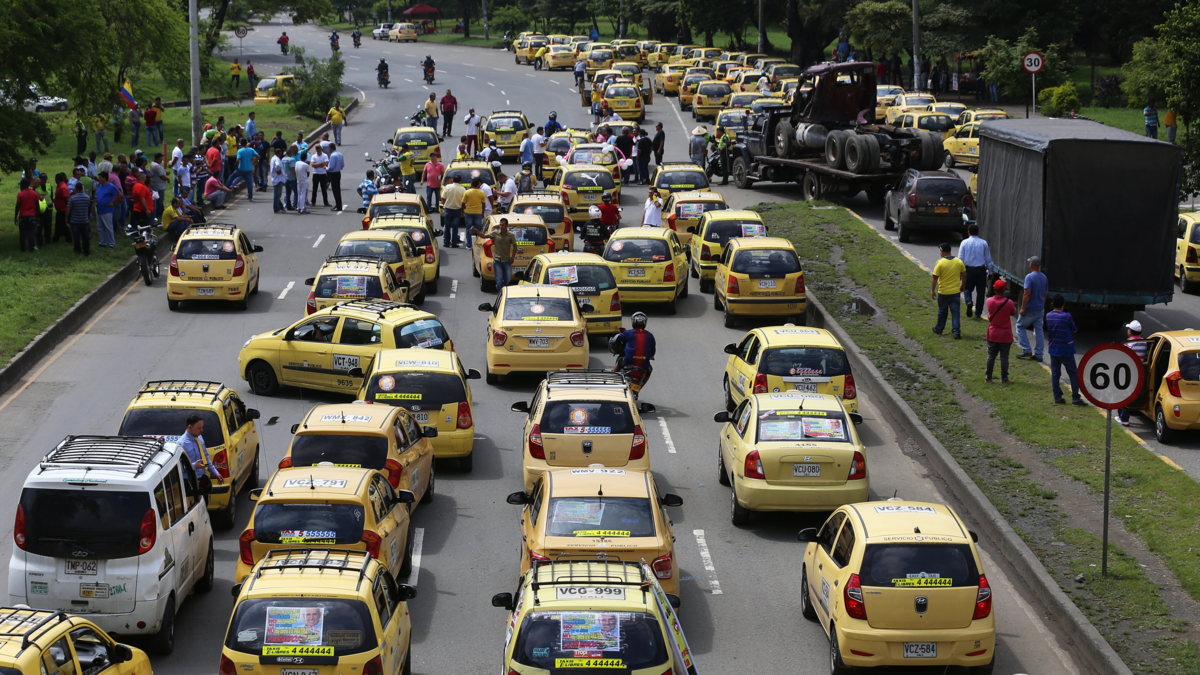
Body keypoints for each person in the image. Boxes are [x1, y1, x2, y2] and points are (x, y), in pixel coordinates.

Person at [1045, 295, 1086, 406]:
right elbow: (1074, 330)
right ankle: (1075, 398)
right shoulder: (1067, 316)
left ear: (1052, 304)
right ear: (1064, 304)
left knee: (1055, 374)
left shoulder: (1048, 316)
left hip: (1053, 349)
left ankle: (1058, 397)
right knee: (1073, 373)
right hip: (1066, 350)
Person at [1117, 321, 1150, 425]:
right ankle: (1123, 416)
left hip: (1128, 371)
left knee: (1123, 394)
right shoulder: (1145, 342)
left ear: (1130, 331)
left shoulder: (1128, 344)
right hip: (1139, 372)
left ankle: (1124, 418)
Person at [983, 279, 1016, 384]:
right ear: (1004, 290)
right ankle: (1004, 379)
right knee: (1004, 357)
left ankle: (988, 377)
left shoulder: (989, 301)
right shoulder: (1009, 302)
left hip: (993, 333)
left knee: (991, 356)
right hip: (1005, 334)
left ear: (994, 289)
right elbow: (1013, 311)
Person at [931, 242, 966, 338]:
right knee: (955, 312)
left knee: (942, 311)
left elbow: (935, 277)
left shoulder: (940, 263)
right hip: (955, 292)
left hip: (943, 292)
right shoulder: (959, 261)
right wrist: (962, 285)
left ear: (942, 251)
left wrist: (932, 290)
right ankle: (956, 331)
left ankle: (939, 329)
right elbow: (964, 274)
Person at [1017, 255, 1048, 362]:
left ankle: (1026, 349)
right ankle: (1039, 354)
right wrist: (1042, 305)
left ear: (1031, 265)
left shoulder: (1029, 277)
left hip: (1030, 308)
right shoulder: (1044, 277)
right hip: (1040, 308)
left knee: (1020, 326)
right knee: (1039, 331)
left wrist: (1022, 308)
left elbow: (1027, 293)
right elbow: (1045, 294)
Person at [958, 223, 992, 318]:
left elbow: (960, 258)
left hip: (968, 269)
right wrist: (991, 272)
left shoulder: (964, 243)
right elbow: (988, 259)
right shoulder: (983, 243)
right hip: (981, 270)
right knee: (981, 291)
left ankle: (969, 301)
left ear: (968, 233)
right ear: (978, 232)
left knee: (967, 288)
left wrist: (960, 272)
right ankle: (978, 312)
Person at [471, 217, 517, 287]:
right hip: (497, 260)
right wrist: (475, 230)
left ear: (506, 226)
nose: (501, 227)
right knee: (499, 279)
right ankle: (500, 292)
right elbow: (483, 236)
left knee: (508, 279)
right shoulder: (495, 233)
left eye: (503, 225)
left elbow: (515, 246)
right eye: (500, 225)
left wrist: (512, 257)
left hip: (506, 260)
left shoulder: (511, 235)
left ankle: (502, 288)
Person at [179, 414, 223, 484]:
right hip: (190, 481)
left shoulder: (199, 438)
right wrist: (194, 466)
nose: (202, 430)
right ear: (190, 427)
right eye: (199, 428)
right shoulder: (181, 444)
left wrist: (215, 473)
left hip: (202, 479)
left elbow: (205, 457)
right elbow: (179, 466)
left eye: (202, 427)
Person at [14, 178, 40, 252]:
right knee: (31, 233)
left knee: (22, 234)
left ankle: (22, 249)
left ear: (23, 184)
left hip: (23, 216)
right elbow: (37, 206)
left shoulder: (20, 194)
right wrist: (37, 216)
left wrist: (15, 217)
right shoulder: (34, 193)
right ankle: (31, 248)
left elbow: (18, 206)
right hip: (32, 216)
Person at [67, 182, 92, 255]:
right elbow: (88, 207)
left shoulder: (72, 198)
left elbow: (68, 209)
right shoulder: (87, 197)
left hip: (75, 221)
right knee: (85, 237)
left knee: (76, 237)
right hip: (85, 220)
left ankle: (77, 250)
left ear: (76, 189)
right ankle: (86, 251)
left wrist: (66, 218)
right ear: (82, 189)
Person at [441, 174, 466, 247]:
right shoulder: (462, 189)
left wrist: (445, 204)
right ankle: (454, 243)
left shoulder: (448, 187)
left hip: (448, 209)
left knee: (447, 226)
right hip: (457, 210)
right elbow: (463, 202)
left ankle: (446, 242)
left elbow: (443, 198)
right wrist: (463, 211)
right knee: (455, 227)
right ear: (460, 181)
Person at [462, 178, 487, 247]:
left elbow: (463, 203)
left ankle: (469, 244)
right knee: (478, 229)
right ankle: (478, 243)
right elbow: (483, 204)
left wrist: (462, 211)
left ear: (471, 184)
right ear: (478, 185)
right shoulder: (481, 193)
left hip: (468, 212)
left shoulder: (467, 192)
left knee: (468, 228)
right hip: (478, 213)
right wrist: (482, 212)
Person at [52, 173, 72, 244]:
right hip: (60, 209)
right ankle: (56, 238)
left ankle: (67, 239)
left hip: (63, 209)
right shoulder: (60, 186)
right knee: (59, 225)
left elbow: (66, 199)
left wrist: (68, 209)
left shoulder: (62, 187)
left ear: (56, 179)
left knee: (63, 224)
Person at [327, 143, 345, 211]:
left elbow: (331, 167)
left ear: (331, 148)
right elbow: (342, 165)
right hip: (338, 173)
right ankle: (338, 204)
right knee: (337, 189)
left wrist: (326, 168)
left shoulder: (332, 155)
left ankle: (339, 206)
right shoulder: (340, 154)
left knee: (335, 190)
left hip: (333, 174)